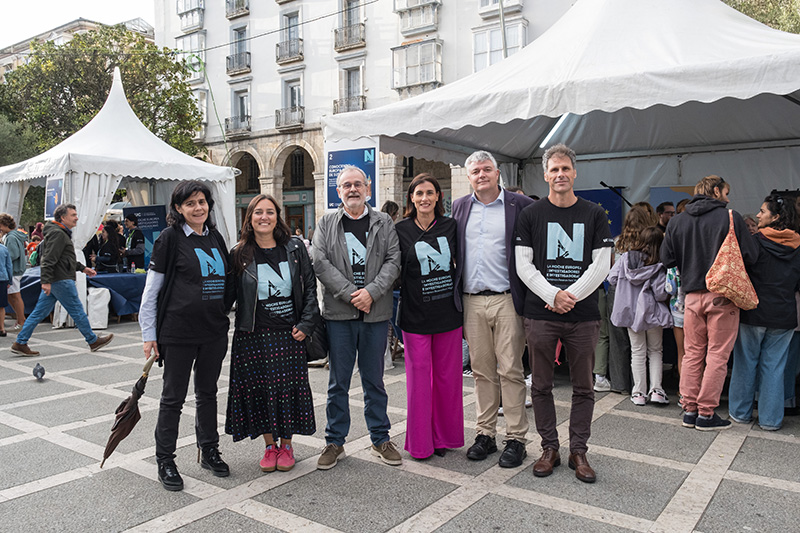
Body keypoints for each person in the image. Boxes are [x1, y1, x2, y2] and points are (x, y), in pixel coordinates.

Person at [515, 143, 613, 483]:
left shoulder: (595, 214)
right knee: (540, 385)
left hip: (582, 315)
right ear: (545, 175)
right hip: (541, 314)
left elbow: (602, 264)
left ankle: (578, 451)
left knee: (583, 387)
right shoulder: (530, 215)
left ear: (575, 173)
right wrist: (552, 295)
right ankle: (549, 448)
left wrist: (569, 296)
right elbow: (523, 265)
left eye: (565, 169)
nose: (559, 174)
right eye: (554, 169)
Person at [139, 181, 234, 491]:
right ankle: (165, 459)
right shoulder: (169, 239)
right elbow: (152, 291)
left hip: (213, 331)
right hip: (177, 333)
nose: (198, 208)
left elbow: (227, 280)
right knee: (173, 399)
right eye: (191, 203)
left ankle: (208, 450)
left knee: (208, 394)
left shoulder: (216, 237)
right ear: (178, 208)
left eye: (202, 201)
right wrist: (148, 334)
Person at [312, 165, 402, 469]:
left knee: (374, 380)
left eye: (358, 184)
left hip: (375, 313)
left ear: (368, 188)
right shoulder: (326, 223)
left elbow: (393, 261)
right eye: (346, 185)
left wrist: (371, 293)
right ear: (338, 192)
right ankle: (334, 441)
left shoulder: (384, 222)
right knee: (338, 381)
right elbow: (320, 264)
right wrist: (353, 293)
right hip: (340, 314)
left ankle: (380, 438)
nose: (352, 189)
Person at [452, 150, 534, 468]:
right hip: (471, 300)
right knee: (482, 373)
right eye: (475, 171)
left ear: (498, 173)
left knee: (511, 370)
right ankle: (485, 434)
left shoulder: (520, 206)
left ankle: (516, 438)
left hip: (507, 299)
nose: (481, 175)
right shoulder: (459, 208)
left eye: (487, 169)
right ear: (469, 176)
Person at [225, 194, 318, 472]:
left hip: (289, 335)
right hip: (252, 337)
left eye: (269, 212)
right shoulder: (239, 253)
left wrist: (306, 323)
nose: (263, 217)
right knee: (260, 392)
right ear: (249, 218)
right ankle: (269, 446)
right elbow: (228, 296)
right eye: (257, 212)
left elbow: (311, 288)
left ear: (278, 216)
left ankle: (287, 445)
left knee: (288, 391)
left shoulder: (295, 248)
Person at [662, 175, 758, 431]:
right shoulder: (730, 217)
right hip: (722, 296)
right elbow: (751, 254)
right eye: (726, 193)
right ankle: (706, 413)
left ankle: (689, 410)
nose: (728, 198)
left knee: (692, 354)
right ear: (716, 191)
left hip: (690, 297)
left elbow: (667, 259)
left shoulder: (677, 221)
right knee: (717, 355)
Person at [395, 174, 463, 459]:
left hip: (448, 315)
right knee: (419, 383)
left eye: (430, 193)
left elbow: (462, 266)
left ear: (438, 197)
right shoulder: (400, 230)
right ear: (411, 197)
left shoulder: (451, 226)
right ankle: (421, 444)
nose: (425, 198)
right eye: (419, 193)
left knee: (448, 381)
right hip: (415, 318)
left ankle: (444, 438)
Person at [729, 195, 800, 431]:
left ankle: (740, 413)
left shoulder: (754, 241)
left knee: (745, 363)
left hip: (753, 311)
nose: (758, 215)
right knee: (775, 367)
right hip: (784, 314)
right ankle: (771, 420)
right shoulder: (798, 246)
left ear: (776, 216)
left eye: (762, 211)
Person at [11, 205, 114, 356]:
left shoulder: (58, 232)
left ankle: (20, 342)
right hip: (61, 279)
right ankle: (92, 340)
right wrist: (45, 281)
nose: (76, 217)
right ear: (63, 218)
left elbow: (64, 258)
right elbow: (48, 259)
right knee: (77, 310)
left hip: (56, 279)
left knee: (39, 313)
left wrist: (82, 268)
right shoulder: (58, 234)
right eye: (73, 215)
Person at [609, 226, 672, 406]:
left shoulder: (626, 258)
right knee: (655, 351)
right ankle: (656, 390)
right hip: (652, 314)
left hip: (630, 312)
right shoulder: (660, 264)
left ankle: (638, 393)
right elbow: (661, 294)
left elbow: (612, 278)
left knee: (637, 351)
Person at [607, 205, 659, 393]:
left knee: (618, 339)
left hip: (618, 292)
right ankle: (645, 385)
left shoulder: (618, 242)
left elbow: (611, 270)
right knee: (646, 345)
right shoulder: (652, 243)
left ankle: (620, 384)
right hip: (645, 292)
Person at [0, 214, 27, 329]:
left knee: (15, 296)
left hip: (14, 271)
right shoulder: (15, 235)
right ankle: (21, 320)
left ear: (5, 224)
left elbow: (13, 254)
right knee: (13, 296)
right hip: (17, 269)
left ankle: (21, 321)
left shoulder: (10, 237)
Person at [0, 242, 11, 336]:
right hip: (2, 278)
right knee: (1, 305)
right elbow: (9, 266)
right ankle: (2, 328)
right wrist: (10, 280)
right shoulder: (4, 249)